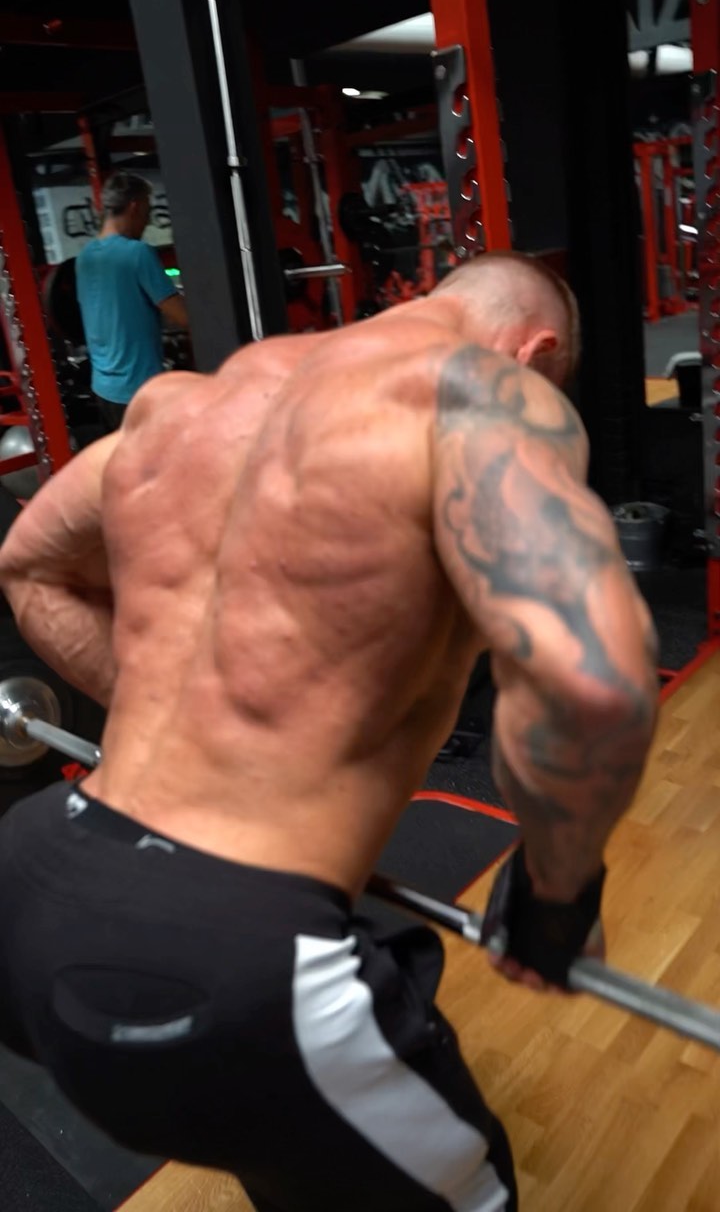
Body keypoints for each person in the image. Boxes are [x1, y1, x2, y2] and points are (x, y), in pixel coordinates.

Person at [0, 252, 658, 1212]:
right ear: (535, 351)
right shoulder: (481, 397)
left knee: (295, 1160)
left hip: (32, 885)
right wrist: (556, 900)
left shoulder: (176, 407)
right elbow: (590, 680)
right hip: (233, 973)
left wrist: (176, 716)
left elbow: (28, 566)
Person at [75, 172, 189, 430]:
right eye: (147, 212)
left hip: (103, 389)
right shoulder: (137, 253)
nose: (147, 222)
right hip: (138, 391)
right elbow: (183, 317)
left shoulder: (85, 257)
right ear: (135, 207)